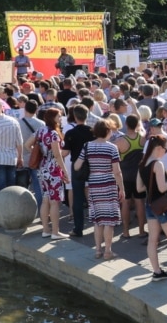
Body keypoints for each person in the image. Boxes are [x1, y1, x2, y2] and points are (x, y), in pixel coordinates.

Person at [137, 134, 167, 281]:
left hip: (150, 205)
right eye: (166, 149)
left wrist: (164, 177)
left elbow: (139, 188)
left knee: (153, 240)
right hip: (163, 205)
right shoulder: (158, 164)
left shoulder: (142, 164)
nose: (166, 151)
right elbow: (163, 188)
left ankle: (157, 272)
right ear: (158, 148)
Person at [77, 118, 123, 259]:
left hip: (94, 183)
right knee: (109, 220)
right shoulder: (112, 148)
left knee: (98, 220)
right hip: (108, 183)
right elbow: (117, 171)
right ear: (108, 131)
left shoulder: (87, 146)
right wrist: (122, 188)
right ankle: (108, 251)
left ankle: (97, 250)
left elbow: (77, 166)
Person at [30, 108, 67, 238]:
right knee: (55, 201)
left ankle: (46, 229)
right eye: (59, 116)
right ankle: (55, 232)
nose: (60, 118)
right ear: (53, 118)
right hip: (54, 170)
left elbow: (27, 145)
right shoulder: (54, 134)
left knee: (46, 199)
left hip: (42, 167)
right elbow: (57, 155)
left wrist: (40, 151)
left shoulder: (40, 130)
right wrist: (65, 171)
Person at [63, 104, 94, 237]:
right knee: (94, 195)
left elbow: (64, 153)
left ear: (75, 116)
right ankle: (98, 224)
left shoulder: (70, 133)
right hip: (92, 165)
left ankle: (78, 228)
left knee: (77, 197)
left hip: (77, 166)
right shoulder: (93, 131)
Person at [115, 114, 147, 239]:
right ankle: (141, 231)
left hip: (125, 176)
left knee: (125, 203)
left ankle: (126, 232)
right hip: (139, 175)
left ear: (126, 124)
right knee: (140, 202)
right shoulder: (143, 138)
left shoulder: (120, 141)